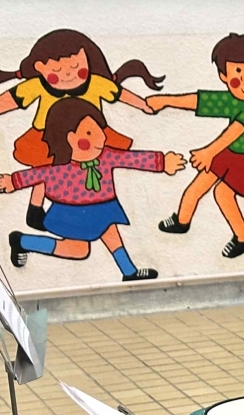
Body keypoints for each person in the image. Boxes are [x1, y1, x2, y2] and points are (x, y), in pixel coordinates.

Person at [0, 29, 164, 230]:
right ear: (39, 68)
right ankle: (35, 208)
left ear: (88, 59)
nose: (68, 74)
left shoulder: (96, 83)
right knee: (45, 169)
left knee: (94, 165)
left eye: (76, 66)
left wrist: (143, 105)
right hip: (49, 136)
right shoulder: (36, 86)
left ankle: (89, 204)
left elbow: (120, 94)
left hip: (91, 135)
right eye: (57, 70)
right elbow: (10, 100)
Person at [2, 99, 182, 281]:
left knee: (109, 235)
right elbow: (36, 175)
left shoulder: (106, 156)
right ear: (70, 138)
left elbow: (131, 159)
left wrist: (161, 162)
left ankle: (129, 272)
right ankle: (23, 241)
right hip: (70, 213)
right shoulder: (59, 167)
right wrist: (13, 181)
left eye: (99, 131)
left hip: (103, 207)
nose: (100, 138)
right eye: (89, 133)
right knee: (79, 250)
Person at [147, 32, 244, 260]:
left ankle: (243, 237)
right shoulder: (236, 99)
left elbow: (236, 130)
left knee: (222, 193)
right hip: (233, 152)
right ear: (224, 77)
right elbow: (202, 101)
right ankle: (182, 221)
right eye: (237, 74)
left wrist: (209, 152)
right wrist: (166, 100)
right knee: (198, 184)